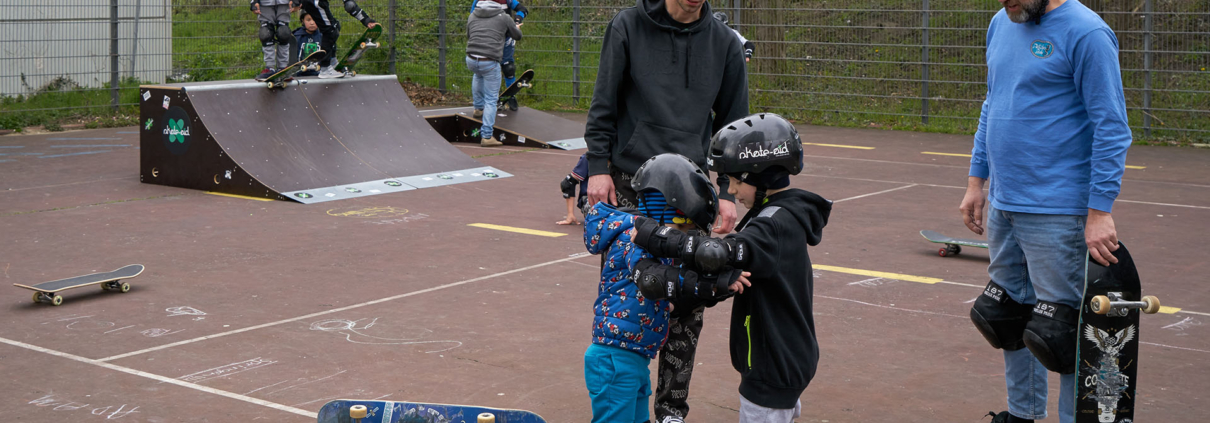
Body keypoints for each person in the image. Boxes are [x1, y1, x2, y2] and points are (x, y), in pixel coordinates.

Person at [958, 0, 1132, 422]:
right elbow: (992, 104)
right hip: (1004, 203)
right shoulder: (1002, 22)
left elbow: (1111, 125)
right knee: (1009, 319)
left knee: (1064, 333)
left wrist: (1098, 211)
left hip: (1059, 212)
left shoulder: (1087, 33)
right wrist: (976, 181)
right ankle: (1022, 415)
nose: (1005, 2)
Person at [583, 1, 750, 420]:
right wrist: (598, 167)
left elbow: (733, 122)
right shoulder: (628, 26)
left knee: (686, 297)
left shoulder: (725, 43)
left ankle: (671, 409)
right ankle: (626, 393)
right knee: (633, 289)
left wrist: (727, 191)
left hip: (691, 192)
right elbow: (604, 100)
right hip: (631, 181)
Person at [634, 114, 832, 423]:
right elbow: (733, 274)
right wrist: (699, 291)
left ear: (760, 175)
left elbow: (716, 253)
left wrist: (654, 235)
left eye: (736, 181)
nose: (733, 191)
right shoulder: (775, 215)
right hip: (782, 359)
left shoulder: (774, 225)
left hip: (771, 365)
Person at [583, 153, 743, 423]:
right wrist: (709, 284)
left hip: (634, 357)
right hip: (615, 359)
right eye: (684, 225)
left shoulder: (654, 237)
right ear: (667, 212)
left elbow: (681, 284)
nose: (685, 235)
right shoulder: (635, 238)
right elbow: (653, 279)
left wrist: (719, 283)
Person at [466, 0, 522, 147]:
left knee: (478, 74)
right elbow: (517, 36)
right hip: (489, 60)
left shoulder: (473, 15)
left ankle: (478, 108)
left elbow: (468, 34)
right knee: (491, 99)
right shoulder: (504, 17)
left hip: (471, 58)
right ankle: (486, 136)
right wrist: (515, 26)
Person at [469, 0, 530, 110]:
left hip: (506, 37)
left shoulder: (508, 1)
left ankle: (510, 95)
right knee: (483, 70)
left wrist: (517, 21)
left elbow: (522, 9)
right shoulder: (478, 1)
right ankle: (483, 102)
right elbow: (473, 17)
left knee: (508, 67)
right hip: (487, 38)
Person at [296, 0, 379, 79]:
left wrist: (366, 20)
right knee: (330, 30)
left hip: (314, 3)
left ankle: (331, 60)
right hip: (316, 3)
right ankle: (325, 68)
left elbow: (350, 5)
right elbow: (350, 5)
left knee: (335, 26)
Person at [251, 0, 300, 81]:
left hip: (284, 4)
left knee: (283, 33)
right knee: (266, 33)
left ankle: (283, 68)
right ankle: (269, 68)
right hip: (265, 4)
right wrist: (254, 2)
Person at [558, 154, 590, 225]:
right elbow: (568, 182)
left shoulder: (619, 158)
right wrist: (570, 214)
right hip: (592, 201)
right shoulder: (589, 157)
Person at [293, 11, 324, 77]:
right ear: (302, 21)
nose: (312, 23)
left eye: (314, 19)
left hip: (319, 74)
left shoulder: (322, 36)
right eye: (308, 20)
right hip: (300, 74)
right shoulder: (297, 37)